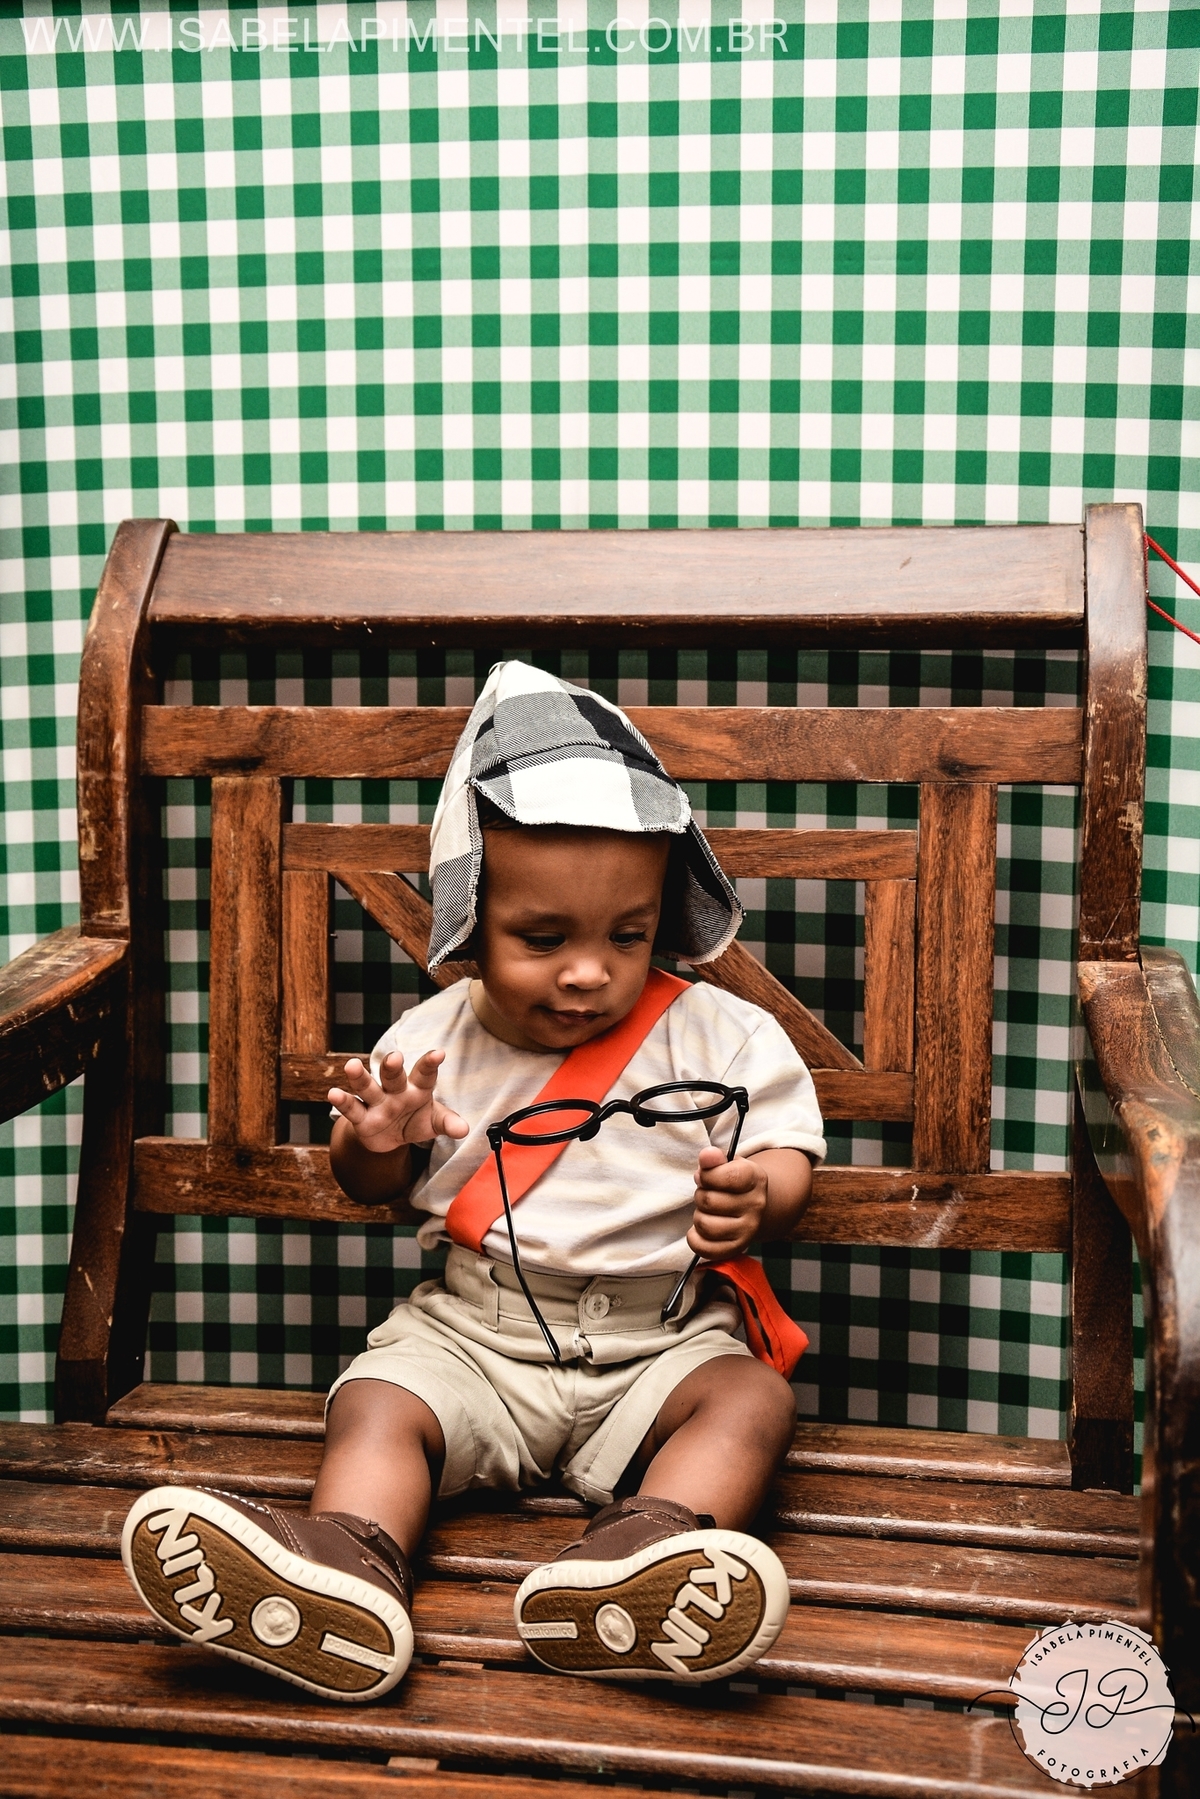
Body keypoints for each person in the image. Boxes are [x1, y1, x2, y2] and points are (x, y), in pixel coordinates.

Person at [121, 662, 826, 1703]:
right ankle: (344, 1565)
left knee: (751, 1397)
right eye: (543, 938)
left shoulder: (724, 1034)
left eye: (627, 935)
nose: (588, 970)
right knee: (377, 1400)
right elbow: (370, 1182)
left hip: (661, 1341)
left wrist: (761, 1193)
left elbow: (788, 1149)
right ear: (469, 918)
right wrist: (377, 1137)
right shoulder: (431, 1040)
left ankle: (637, 1561)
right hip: (474, 1337)